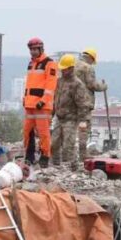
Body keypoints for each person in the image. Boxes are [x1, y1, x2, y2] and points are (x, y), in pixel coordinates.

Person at [22, 38, 58, 167]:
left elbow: (51, 85)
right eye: (31, 49)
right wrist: (24, 98)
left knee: (43, 133)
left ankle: (45, 157)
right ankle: (29, 156)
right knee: (27, 131)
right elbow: (29, 83)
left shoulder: (49, 64)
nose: (32, 52)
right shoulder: (31, 64)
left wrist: (43, 101)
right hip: (30, 104)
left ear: (41, 49)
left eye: (35, 49)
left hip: (42, 106)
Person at [51, 54, 91, 168]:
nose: (62, 71)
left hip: (71, 119)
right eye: (62, 69)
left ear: (71, 68)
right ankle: (56, 165)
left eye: (65, 69)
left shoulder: (77, 84)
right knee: (54, 144)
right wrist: (51, 115)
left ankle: (72, 167)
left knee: (68, 145)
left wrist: (83, 121)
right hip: (59, 118)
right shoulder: (59, 81)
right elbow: (55, 99)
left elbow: (82, 104)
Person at [75, 47, 107, 156]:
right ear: (90, 58)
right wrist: (103, 86)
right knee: (83, 129)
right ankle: (82, 154)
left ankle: (68, 154)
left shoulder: (72, 65)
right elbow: (92, 85)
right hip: (84, 104)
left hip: (70, 103)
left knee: (69, 128)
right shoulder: (87, 68)